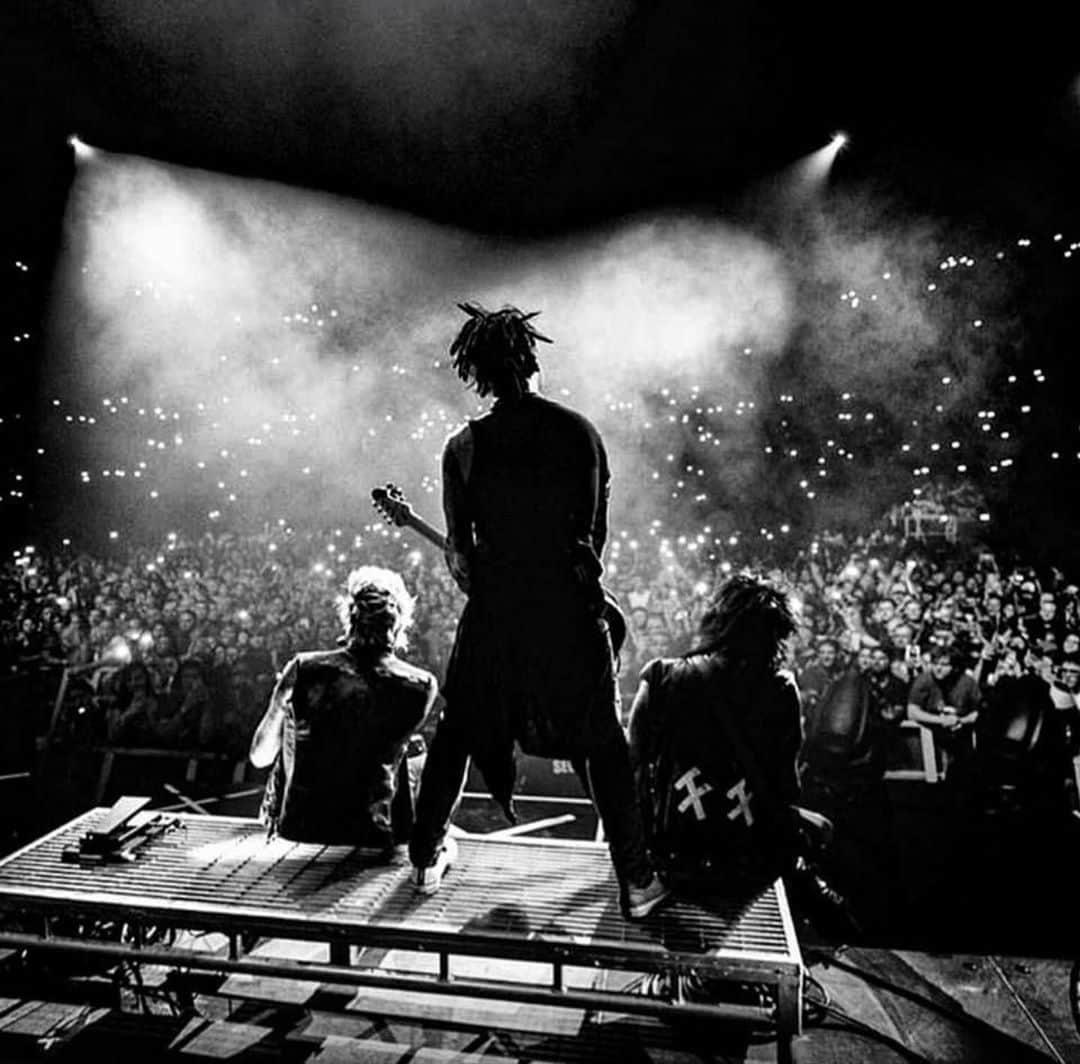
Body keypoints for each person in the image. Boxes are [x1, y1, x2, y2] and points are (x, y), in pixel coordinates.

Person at [407, 302, 667, 920]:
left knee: (457, 731)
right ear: (530, 360)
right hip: (568, 613)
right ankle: (637, 881)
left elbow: (462, 557)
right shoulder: (580, 433)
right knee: (602, 740)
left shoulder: (464, 447)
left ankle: (422, 858)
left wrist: (494, 580)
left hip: (496, 616)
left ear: (476, 374)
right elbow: (594, 535)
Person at [249, 566, 438, 851]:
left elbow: (260, 757)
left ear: (349, 618)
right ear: (400, 623)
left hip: (301, 828)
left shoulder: (303, 668)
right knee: (417, 753)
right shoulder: (422, 685)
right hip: (374, 835)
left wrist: (280, 702)